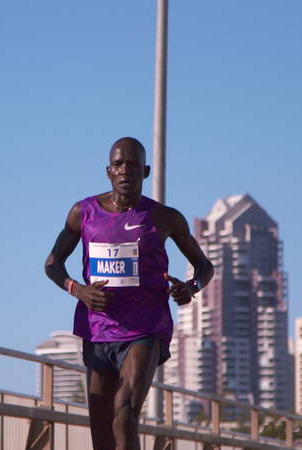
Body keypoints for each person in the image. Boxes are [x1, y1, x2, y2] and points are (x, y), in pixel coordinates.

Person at [44, 137, 214, 450]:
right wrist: (77, 290)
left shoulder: (164, 217)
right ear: (108, 171)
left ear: (145, 171)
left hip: (144, 329)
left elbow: (204, 265)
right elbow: (53, 263)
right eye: (119, 164)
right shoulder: (83, 212)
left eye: (133, 164)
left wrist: (190, 288)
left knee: (124, 413)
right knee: (102, 430)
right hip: (97, 330)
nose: (125, 170)